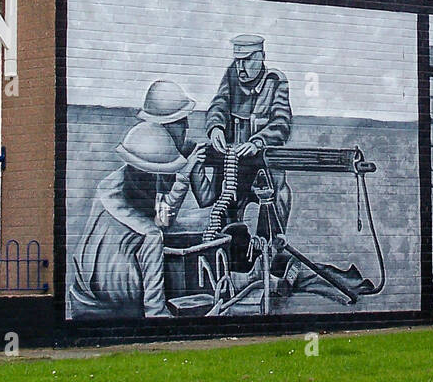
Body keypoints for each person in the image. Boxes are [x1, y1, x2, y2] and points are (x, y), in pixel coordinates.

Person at [68, 122, 186, 319]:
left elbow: (162, 219)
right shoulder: (149, 237)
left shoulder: (105, 191)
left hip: (81, 301)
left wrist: (176, 188)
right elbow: (155, 312)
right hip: (122, 314)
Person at [198, 35, 293, 265]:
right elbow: (219, 103)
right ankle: (230, 269)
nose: (240, 66)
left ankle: (270, 262)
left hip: (264, 166)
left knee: (275, 210)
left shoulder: (275, 81)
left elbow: (281, 122)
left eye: (247, 60)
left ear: (261, 57)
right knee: (227, 229)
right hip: (234, 166)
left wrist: (258, 142)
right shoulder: (232, 73)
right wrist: (216, 128)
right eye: (238, 60)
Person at [136, 79, 207, 228]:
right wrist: (185, 173)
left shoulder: (177, 153)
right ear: (164, 126)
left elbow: (206, 199)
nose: (187, 126)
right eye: (180, 121)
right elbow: (162, 220)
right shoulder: (149, 163)